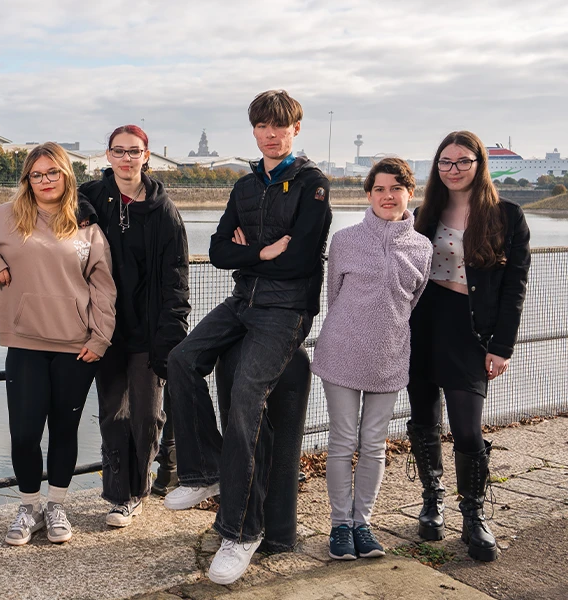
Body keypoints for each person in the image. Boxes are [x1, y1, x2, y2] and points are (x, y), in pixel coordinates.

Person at [164, 90, 332, 585]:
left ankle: (243, 530)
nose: (272, 134)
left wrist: (256, 251)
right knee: (182, 359)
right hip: (245, 299)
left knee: (244, 400)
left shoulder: (312, 184)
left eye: (281, 127)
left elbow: (303, 258)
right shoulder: (244, 186)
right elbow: (217, 250)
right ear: (254, 130)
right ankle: (204, 470)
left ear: (295, 129)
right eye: (263, 126)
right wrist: (260, 253)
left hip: (285, 310)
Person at [0, 142, 116, 545]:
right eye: (37, 174)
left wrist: (101, 338)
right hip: (25, 342)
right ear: (27, 180)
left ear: (66, 175)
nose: (46, 181)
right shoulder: (8, 218)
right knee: (25, 433)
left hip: (77, 347)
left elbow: (102, 288)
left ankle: (56, 505)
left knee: (65, 429)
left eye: (53, 173)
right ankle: (28, 507)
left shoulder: (86, 226)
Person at [407, 131, 530, 562]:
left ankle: (474, 514)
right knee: (423, 418)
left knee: (467, 428)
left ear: (479, 164)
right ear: (436, 167)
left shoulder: (507, 216)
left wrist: (503, 346)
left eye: (462, 161)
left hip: (470, 331)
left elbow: (515, 288)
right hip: (422, 325)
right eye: (445, 162)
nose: (453, 169)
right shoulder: (423, 213)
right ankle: (431, 498)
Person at [311, 158, 432, 560]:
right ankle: (339, 526)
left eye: (396, 188)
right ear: (368, 194)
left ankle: (363, 523)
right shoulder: (344, 240)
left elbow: (410, 303)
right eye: (379, 189)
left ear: (409, 193)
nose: (387, 196)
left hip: (390, 356)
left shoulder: (422, 247)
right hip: (342, 352)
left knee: (375, 443)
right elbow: (333, 298)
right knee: (343, 441)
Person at [78, 125, 191, 527]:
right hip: (105, 329)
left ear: (147, 156)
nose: (126, 159)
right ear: (107, 155)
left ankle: (138, 490)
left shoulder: (164, 212)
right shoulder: (90, 198)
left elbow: (176, 279)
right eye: (119, 151)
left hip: (148, 330)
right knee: (113, 413)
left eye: (134, 152)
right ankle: (118, 494)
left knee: (146, 414)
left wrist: (170, 337)